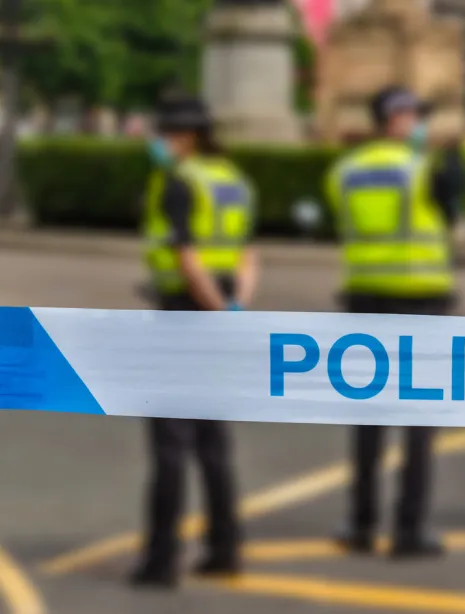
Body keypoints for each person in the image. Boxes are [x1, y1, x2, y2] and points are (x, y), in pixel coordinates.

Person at [131, 94, 258, 588]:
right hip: (222, 312)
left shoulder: (179, 182)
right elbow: (248, 253)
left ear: (183, 136)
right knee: (213, 441)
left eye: (163, 134)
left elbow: (187, 257)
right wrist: (234, 308)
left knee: (170, 443)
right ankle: (226, 549)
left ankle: (161, 560)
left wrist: (207, 305)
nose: (158, 143)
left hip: (184, 313)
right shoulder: (233, 180)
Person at [326, 85, 456, 558]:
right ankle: (409, 529)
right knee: (418, 419)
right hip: (420, 299)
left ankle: (361, 525)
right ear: (397, 120)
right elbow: (451, 217)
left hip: (364, 298)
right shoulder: (422, 168)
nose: (420, 124)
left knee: (367, 417)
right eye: (415, 116)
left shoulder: (346, 170)